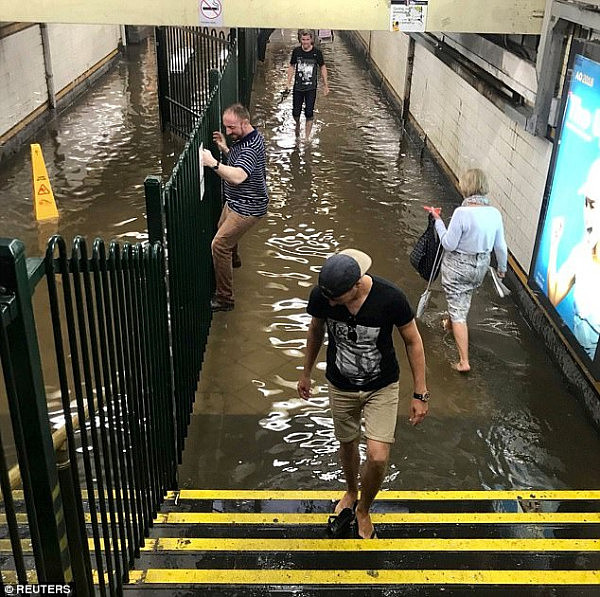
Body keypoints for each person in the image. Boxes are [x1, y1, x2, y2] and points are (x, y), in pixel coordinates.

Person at [297, 249, 429, 539]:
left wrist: (420, 392)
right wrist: (306, 372)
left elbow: (413, 340)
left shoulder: (390, 297)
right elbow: (316, 331)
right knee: (347, 444)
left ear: (356, 285)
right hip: (340, 384)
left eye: (336, 298)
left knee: (378, 455)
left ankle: (364, 509)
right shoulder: (323, 295)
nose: (330, 303)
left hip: (381, 386)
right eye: (327, 297)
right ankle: (350, 491)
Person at [425, 168, 507, 372]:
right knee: (462, 300)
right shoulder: (494, 213)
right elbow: (501, 246)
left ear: (466, 187)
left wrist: (437, 221)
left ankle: (464, 361)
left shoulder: (462, 213)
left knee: (459, 309)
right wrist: (502, 269)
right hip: (480, 266)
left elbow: (449, 244)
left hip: (458, 267)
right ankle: (451, 324)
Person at [201, 103, 268, 312]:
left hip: (247, 207)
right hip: (235, 202)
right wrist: (225, 149)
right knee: (224, 234)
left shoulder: (250, 147)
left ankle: (225, 299)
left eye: (231, 128)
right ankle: (233, 262)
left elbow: (239, 176)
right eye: (226, 127)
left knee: (219, 245)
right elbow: (239, 162)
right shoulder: (247, 137)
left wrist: (213, 163)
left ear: (245, 123)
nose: (228, 132)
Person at [547, 158, 600, 359]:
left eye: (593, 205)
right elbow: (553, 296)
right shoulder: (581, 253)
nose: (587, 214)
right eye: (585, 204)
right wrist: (554, 245)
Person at [286, 29, 330, 139]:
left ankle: (306, 138)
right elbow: (292, 66)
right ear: (300, 40)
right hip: (298, 87)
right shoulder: (296, 52)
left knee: (309, 112)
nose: (305, 42)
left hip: (311, 88)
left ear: (311, 40)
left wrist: (326, 85)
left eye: (307, 39)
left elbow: (323, 67)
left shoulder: (317, 53)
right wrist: (288, 82)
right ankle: (297, 125)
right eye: (303, 39)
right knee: (296, 112)